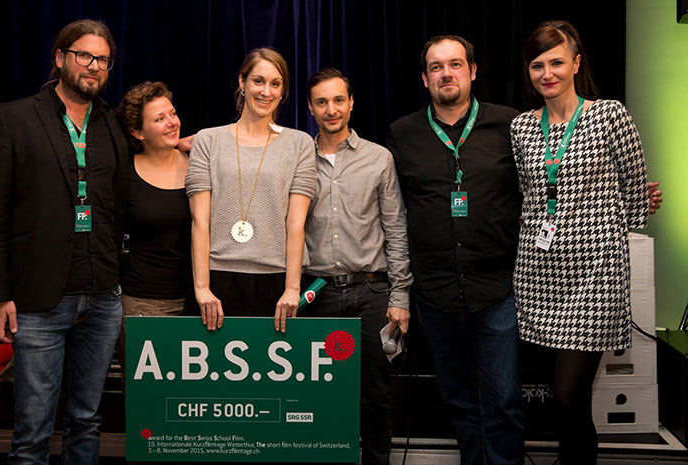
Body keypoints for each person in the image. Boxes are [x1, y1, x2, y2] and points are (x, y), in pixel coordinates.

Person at [0, 19, 127, 464]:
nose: (93, 66)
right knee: (32, 433)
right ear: (60, 58)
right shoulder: (14, 118)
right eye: (84, 55)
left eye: (102, 60)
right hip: (39, 299)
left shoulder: (114, 124)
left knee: (86, 420)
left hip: (102, 297)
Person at [510, 20, 651, 464]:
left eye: (556, 62)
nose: (547, 72)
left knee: (567, 396)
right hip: (540, 275)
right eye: (537, 65)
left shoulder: (610, 114)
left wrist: (601, 235)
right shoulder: (520, 129)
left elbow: (635, 190)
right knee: (566, 399)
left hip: (595, 277)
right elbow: (528, 196)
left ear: (576, 63)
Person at [387, 36, 524, 465]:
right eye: (436, 67)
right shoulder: (403, 133)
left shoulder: (511, 125)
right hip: (435, 294)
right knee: (459, 403)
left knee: (502, 403)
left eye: (455, 64)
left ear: (473, 71)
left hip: (497, 289)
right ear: (425, 79)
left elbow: (553, 180)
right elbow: (386, 206)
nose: (447, 73)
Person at [300, 68, 412, 465]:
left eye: (338, 100)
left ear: (351, 103)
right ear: (310, 108)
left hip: (372, 292)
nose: (331, 109)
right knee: (317, 395)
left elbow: (395, 229)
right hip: (317, 293)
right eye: (321, 102)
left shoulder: (378, 158)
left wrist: (400, 296)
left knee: (375, 396)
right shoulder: (297, 157)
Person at [185, 47, 317, 332]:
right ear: (242, 83)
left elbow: (296, 224)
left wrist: (292, 289)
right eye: (258, 81)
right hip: (216, 280)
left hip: (279, 283)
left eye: (275, 83)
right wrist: (202, 288)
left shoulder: (300, 144)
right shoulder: (208, 140)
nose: (266, 92)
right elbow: (199, 221)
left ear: (283, 91)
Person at [116, 81, 192, 368]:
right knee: (144, 402)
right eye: (159, 119)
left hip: (195, 304)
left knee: (188, 402)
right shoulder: (124, 172)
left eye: (172, 114)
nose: (172, 123)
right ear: (137, 132)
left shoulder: (199, 162)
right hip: (142, 304)